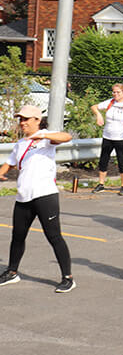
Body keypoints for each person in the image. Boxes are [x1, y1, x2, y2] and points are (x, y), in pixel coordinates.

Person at [0, 105, 75, 292]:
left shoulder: (46, 138)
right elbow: (8, 164)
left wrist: (43, 135)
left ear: (37, 120)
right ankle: (12, 272)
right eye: (20, 119)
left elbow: (67, 137)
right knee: (17, 236)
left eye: (26, 119)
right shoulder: (20, 144)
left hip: (45, 196)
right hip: (23, 197)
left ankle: (68, 278)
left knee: (54, 236)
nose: (22, 123)